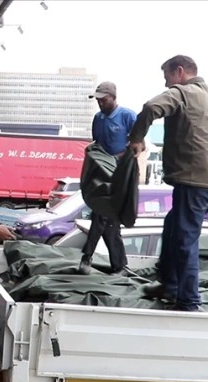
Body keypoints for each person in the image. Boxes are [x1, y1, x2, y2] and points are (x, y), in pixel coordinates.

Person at [127, 55, 208, 312]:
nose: (167, 85)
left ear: (179, 71)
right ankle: (169, 284)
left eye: (167, 78)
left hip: (193, 180)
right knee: (172, 224)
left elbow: (151, 107)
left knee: (186, 240)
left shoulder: (182, 93)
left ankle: (188, 300)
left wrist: (136, 138)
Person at [79, 82, 137, 275]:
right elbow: (97, 144)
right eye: (97, 100)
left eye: (103, 99)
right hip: (100, 174)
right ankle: (120, 265)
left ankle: (86, 257)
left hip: (119, 176)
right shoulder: (98, 118)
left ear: (113, 97)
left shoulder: (127, 116)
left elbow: (139, 145)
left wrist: (118, 158)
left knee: (102, 214)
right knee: (108, 219)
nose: (100, 103)